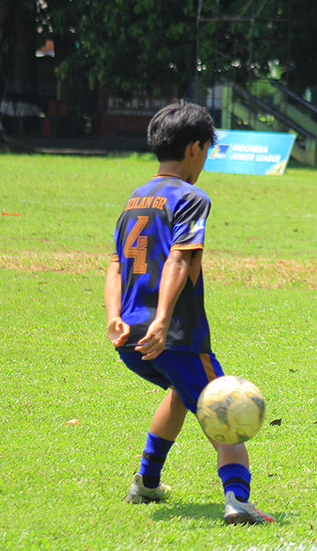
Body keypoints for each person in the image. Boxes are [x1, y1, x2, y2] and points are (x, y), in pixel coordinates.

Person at [104, 100, 274, 525]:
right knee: (224, 407)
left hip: (128, 334)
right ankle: (238, 500)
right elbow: (180, 259)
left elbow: (113, 264)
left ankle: (146, 482)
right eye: (207, 152)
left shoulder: (136, 198)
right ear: (196, 148)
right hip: (175, 335)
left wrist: (113, 315)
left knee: (182, 393)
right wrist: (163, 319)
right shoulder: (191, 197)